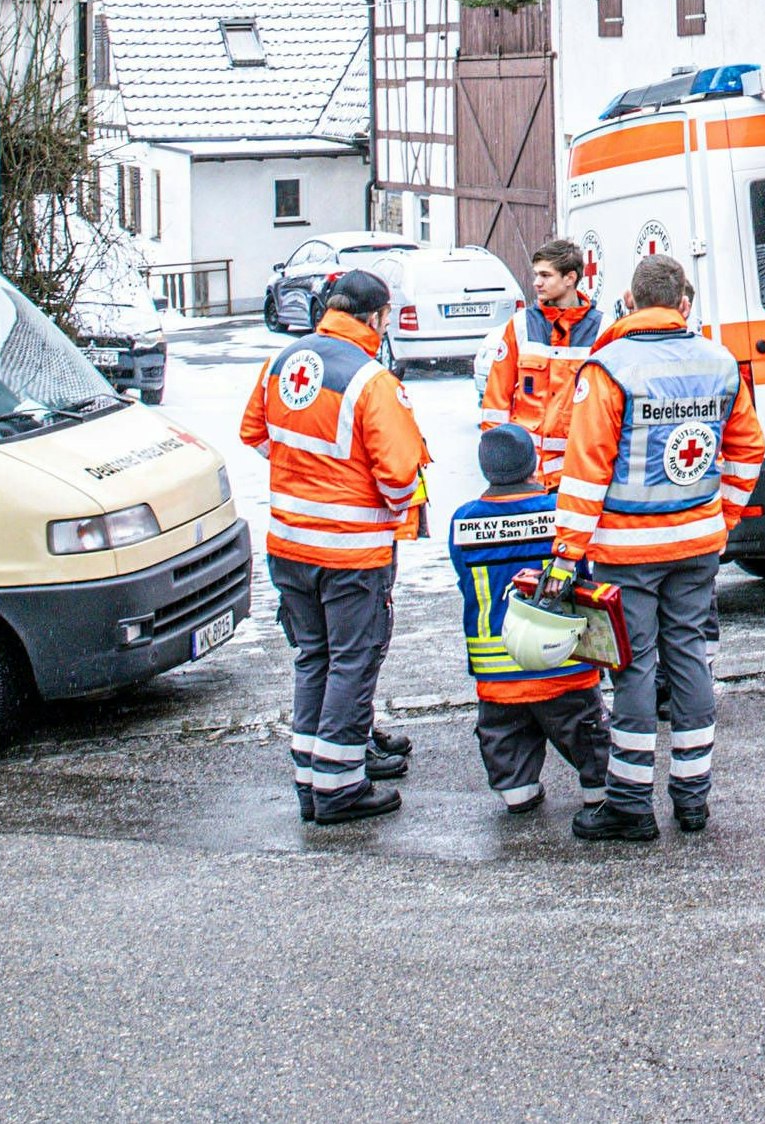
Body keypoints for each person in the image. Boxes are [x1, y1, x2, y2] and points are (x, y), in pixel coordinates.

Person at [552, 253, 764, 840]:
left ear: (629, 299)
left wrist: (566, 554)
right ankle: (693, 798)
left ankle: (630, 802)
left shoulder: (610, 368)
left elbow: (586, 470)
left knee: (634, 667)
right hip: (697, 543)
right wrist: (721, 515)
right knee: (690, 658)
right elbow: (747, 451)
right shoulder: (720, 363)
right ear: (682, 303)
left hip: (628, 550)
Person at [238, 267, 428, 825]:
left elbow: (255, 434)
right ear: (375, 317)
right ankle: (341, 788)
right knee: (352, 661)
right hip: (350, 553)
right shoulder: (371, 380)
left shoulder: (284, 361)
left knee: (313, 659)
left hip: (289, 545)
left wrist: (308, 475)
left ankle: (310, 779)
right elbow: (398, 476)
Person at [450, 424, 610, 816]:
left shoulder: (463, 521)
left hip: (497, 670)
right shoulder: (558, 513)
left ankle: (517, 789)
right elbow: (584, 570)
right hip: (562, 660)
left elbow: (463, 578)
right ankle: (596, 790)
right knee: (583, 731)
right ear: (532, 463)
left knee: (505, 733)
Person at [480, 237, 602, 472]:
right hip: (527, 472)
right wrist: (498, 462)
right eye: (536, 274)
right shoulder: (520, 326)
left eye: (545, 276)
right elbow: (496, 401)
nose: (536, 283)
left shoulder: (602, 330)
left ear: (570, 278)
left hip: (578, 470)